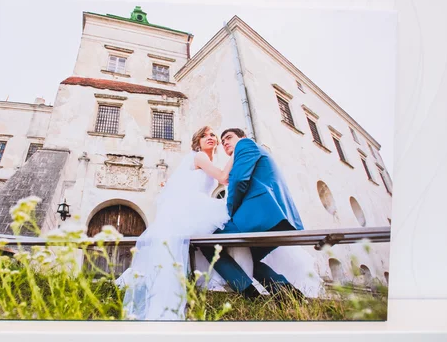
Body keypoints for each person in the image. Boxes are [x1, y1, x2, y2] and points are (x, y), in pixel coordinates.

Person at [116, 126, 233, 320]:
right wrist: (237, 153)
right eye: (204, 136)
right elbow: (222, 177)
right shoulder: (200, 157)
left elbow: (181, 182)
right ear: (198, 142)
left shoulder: (202, 160)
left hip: (193, 205)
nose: (210, 138)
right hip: (194, 206)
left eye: (212, 135)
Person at [199, 128, 321, 301]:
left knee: (207, 243)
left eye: (229, 137)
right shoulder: (253, 152)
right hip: (275, 219)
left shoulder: (245, 144)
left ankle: (250, 294)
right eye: (223, 140)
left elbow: (240, 180)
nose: (225, 142)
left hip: (258, 215)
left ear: (242, 137)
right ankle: (288, 296)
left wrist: (229, 212)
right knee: (248, 260)